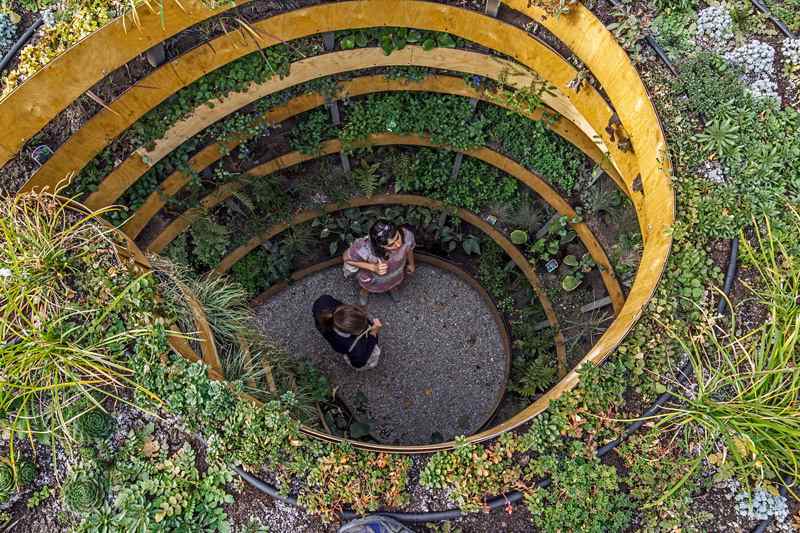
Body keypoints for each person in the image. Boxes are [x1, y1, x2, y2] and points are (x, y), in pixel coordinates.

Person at [342, 219, 416, 306]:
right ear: (379, 246)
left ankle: (392, 288)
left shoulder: (406, 235)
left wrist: (411, 264)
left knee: (393, 282)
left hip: (395, 272)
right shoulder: (364, 248)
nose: (398, 245)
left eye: (397, 238)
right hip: (372, 277)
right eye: (390, 245)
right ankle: (364, 292)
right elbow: (346, 258)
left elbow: (409, 248)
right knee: (368, 286)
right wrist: (372, 267)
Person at [312, 294, 382, 370]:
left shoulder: (324, 303)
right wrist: (373, 333)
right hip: (351, 350)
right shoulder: (356, 350)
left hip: (338, 345)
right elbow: (358, 363)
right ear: (355, 333)